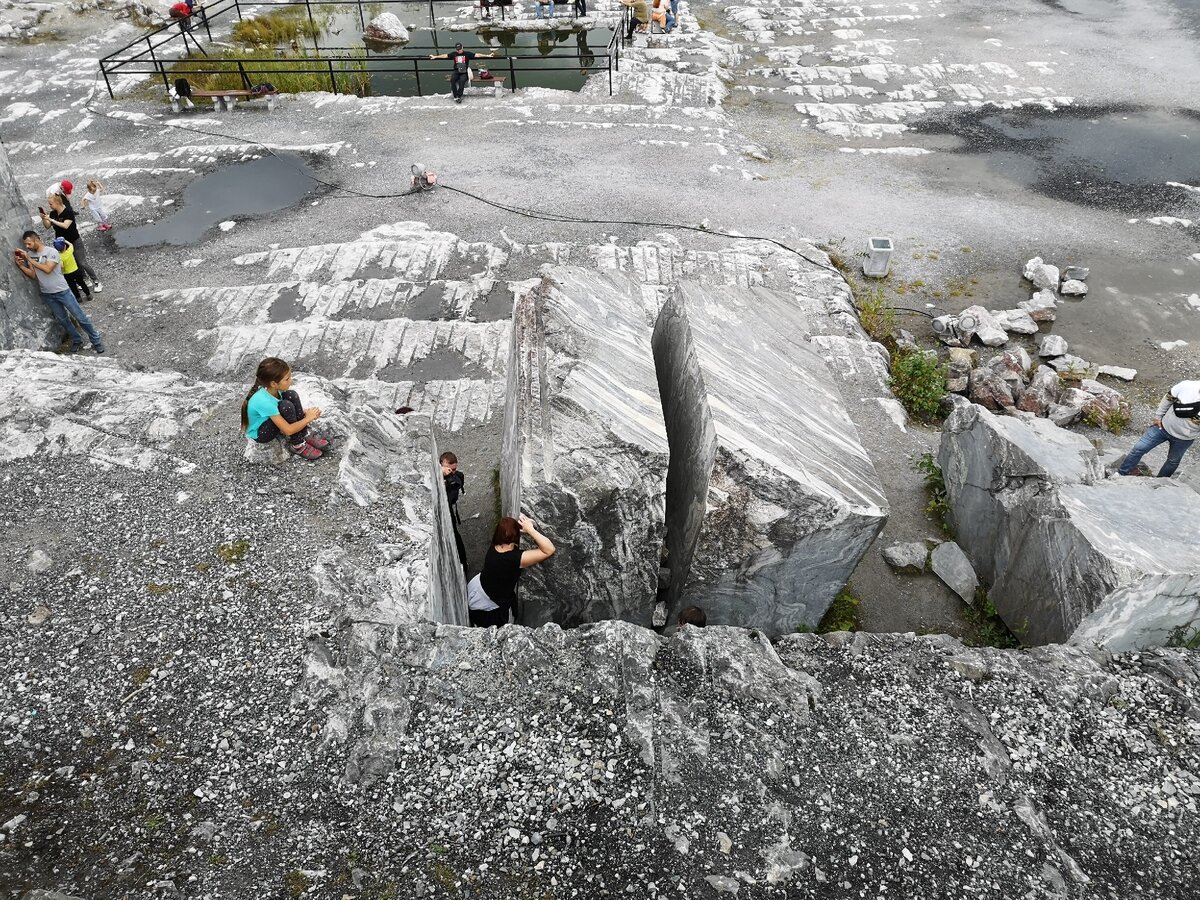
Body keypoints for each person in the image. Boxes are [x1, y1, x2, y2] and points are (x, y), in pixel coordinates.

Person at [13, 231, 105, 354]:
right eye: (25, 245)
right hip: (48, 294)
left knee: (81, 317)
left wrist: (28, 258)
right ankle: (77, 340)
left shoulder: (52, 252)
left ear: (37, 239)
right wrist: (22, 266)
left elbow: (47, 269)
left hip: (62, 291)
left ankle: (96, 340)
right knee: (63, 320)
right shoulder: (30, 254)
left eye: (29, 244)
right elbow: (34, 275)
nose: (27, 247)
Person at [467, 515, 555, 627]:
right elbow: (549, 550)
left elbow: (508, 530)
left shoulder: (496, 544)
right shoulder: (513, 559)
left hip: (479, 588)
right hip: (487, 605)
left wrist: (526, 525)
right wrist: (531, 530)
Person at [240, 357, 331, 460]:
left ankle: (304, 434)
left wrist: (303, 412)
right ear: (274, 384)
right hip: (261, 433)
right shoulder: (264, 401)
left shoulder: (271, 389)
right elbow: (288, 430)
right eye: (287, 379)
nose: (290, 381)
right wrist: (308, 418)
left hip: (269, 418)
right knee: (286, 406)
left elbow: (280, 405)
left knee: (292, 395)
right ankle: (298, 445)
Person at [1118, 380, 1200, 478]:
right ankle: (1121, 473)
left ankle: (1160, 482)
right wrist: (1158, 416)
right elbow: (1168, 398)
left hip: (1184, 439)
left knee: (1173, 461)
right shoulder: (1187, 386)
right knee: (1138, 449)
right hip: (1162, 427)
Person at [40, 192, 102, 293]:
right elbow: (47, 226)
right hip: (63, 245)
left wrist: (51, 220)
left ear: (57, 203)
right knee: (75, 262)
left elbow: (65, 225)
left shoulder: (68, 212)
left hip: (74, 241)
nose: (49, 206)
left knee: (82, 262)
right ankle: (85, 279)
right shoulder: (53, 213)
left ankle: (96, 281)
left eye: (51, 204)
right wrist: (44, 219)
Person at [429, 42, 497, 105]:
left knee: (462, 82)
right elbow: (445, 56)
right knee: (453, 80)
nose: (459, 51)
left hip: (464, 71)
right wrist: (435, 56)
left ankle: (459, 95)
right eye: (458, 50)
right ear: (456, 49)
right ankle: (456, 96)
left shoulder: (467, 54)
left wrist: (488, 55)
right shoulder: (454, 54)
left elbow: (477, 55)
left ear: (462, 48)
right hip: (456, 71)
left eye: (460, 49)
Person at [441, 451, 469, 574]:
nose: (452, 472)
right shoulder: (441, 475)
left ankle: (463, 565)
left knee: (455, 536)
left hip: (448, 510)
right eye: (449, 469)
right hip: (446, 509)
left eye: (454, 469)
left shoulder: (457, 478)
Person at [53, 237, 91, 304]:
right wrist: (65, 240)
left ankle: (78, 298)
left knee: (73, 286)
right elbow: (71, 245)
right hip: (76, 271)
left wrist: (61, 270)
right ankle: (88, 295)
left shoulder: (59, 256)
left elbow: (61, 266)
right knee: (82, 283)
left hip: (67, 274)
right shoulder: (69, 251)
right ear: (65, 246)